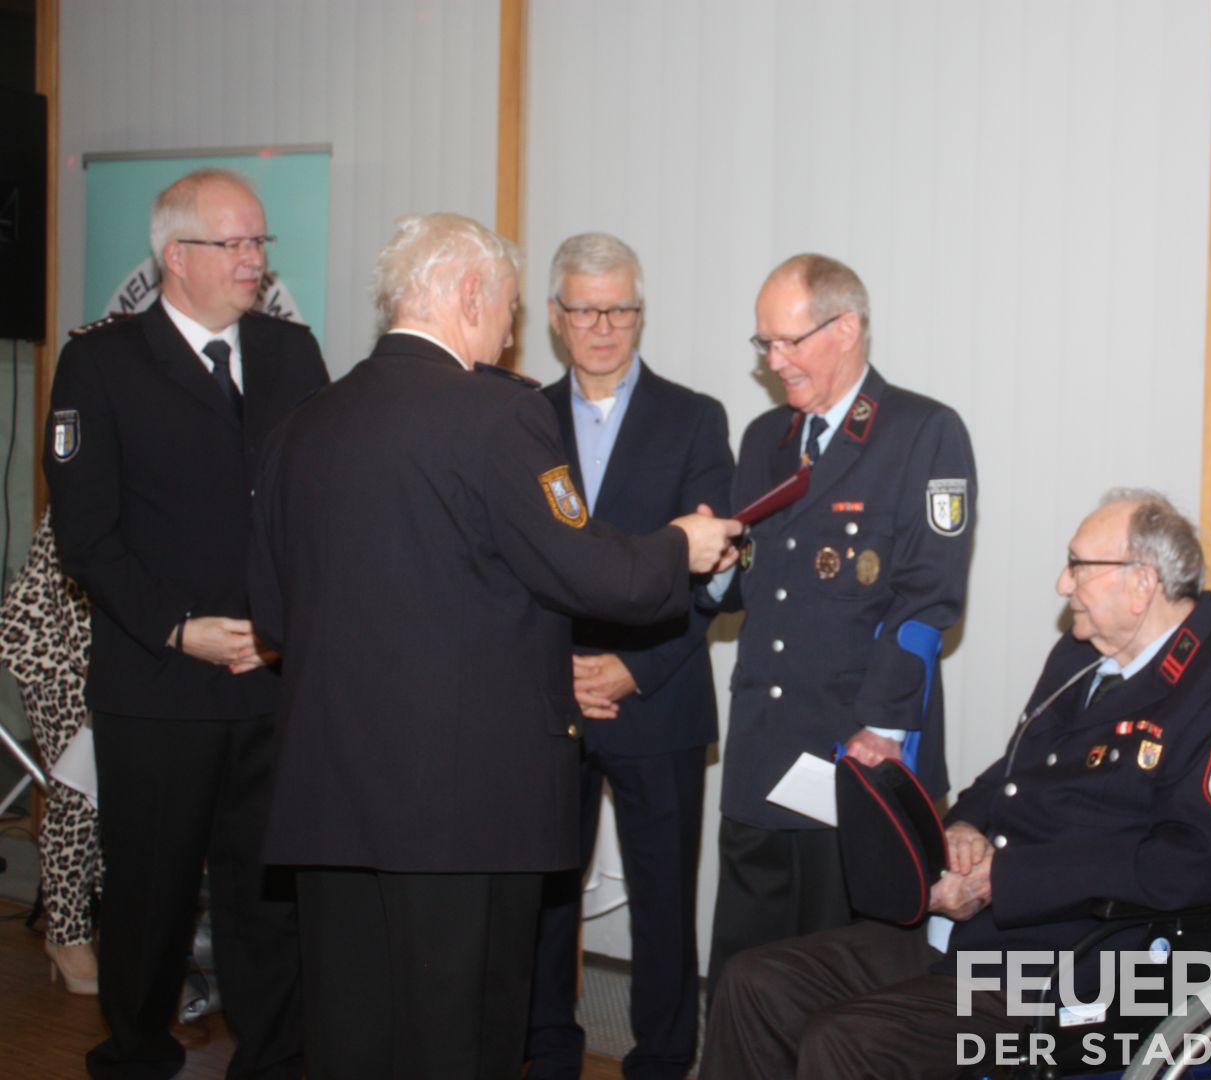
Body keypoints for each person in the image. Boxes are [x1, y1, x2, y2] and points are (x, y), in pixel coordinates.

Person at [247, 212, 740, 1080]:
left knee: (349, 1034)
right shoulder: (500, 416)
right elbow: (588, 570)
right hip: (462, 809)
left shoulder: (304, 424)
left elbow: (275, 622)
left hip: (330, 798)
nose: (511, 333)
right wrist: (680, 546)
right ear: (470, 294)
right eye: (511, 309)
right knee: (457, 1037)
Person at [701, 491, 1211, 1079]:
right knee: (755, 982)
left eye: (1079, 566)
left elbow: (1190, 865)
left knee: (849, 1040)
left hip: (1082, 965)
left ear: (1142, 584)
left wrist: (1002, 880)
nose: (1062, 584)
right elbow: (1014, 772)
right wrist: (962, 827)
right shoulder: (1082, 652)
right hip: (978, 932)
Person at [44, 168, 328, 1079]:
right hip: (158, 685)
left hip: (270, 679)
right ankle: (135, 1053)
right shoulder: (101, 363)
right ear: (176, 256)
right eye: (234, 244)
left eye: (259, 243)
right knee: (150, 894)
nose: (254, 261)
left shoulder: (292, 353)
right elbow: (88, 538)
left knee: (268, 895)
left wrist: (282, 625)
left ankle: (273, 1058)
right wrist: (179, 629)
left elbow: (318, 505)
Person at [705, 253, 977, 995]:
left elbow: (927, 599)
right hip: (763, 757)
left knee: (841, 992)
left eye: (788, 341)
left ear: (847, 328)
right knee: (743, 979)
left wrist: (882, 732)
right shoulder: (765, 438)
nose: (773, 361)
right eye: (764, 344)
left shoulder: (922, 432)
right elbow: (747, 587)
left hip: (855, 755)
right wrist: (713, 568)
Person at [525, 233, 734, 1080]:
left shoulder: (696, 418)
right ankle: (547, 1050)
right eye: (585, 310)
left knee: (664, 898)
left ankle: (663, 1058)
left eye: (619, 309)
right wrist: (558, 669)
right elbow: (507, 565)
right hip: (547, 699)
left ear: (640, 314)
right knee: (543, 894)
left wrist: (633, 668)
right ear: (555, 316)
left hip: (660, 694)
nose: (603, 327)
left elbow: (717, 574)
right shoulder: (521, 420)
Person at [0, 509, 99, 994]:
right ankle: (66, 936)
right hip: (54, 650)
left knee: (120, 798)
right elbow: (76, 579)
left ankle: (114, 924)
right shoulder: (90, 487)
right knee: (75, 796)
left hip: (121, 646)